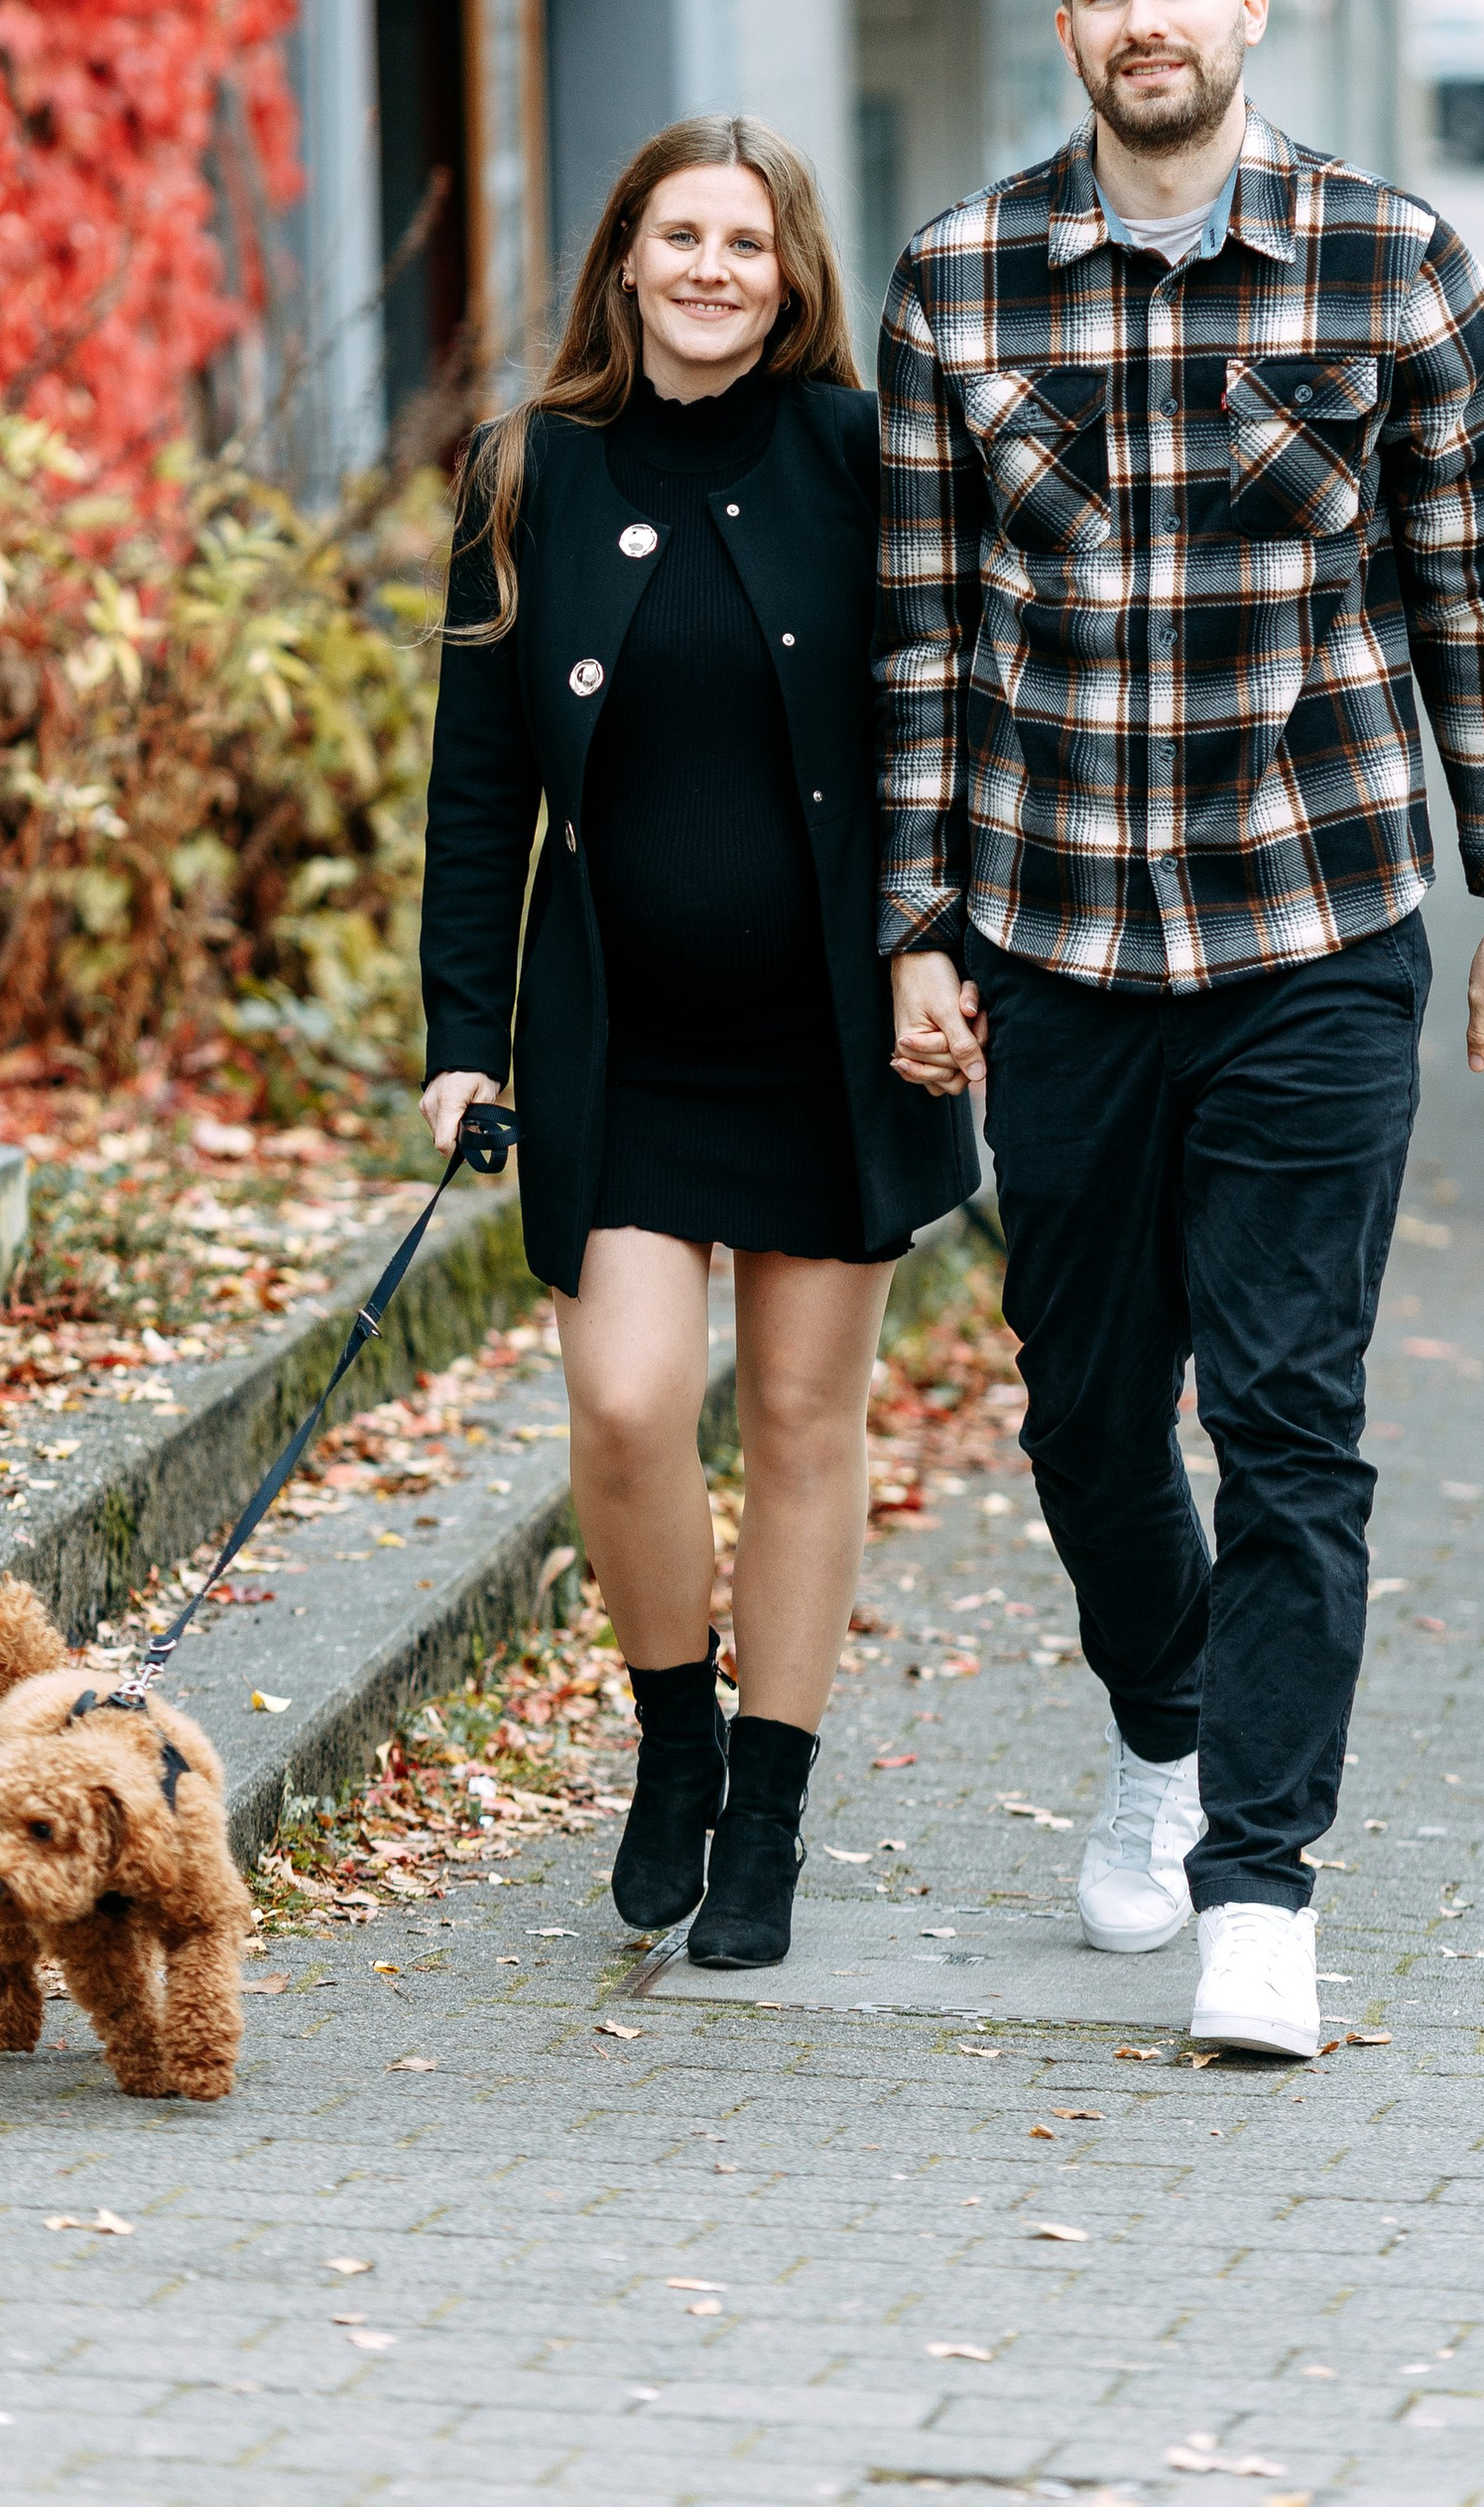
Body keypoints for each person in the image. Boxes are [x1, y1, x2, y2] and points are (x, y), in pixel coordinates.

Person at [876, 0, 1484, 2059]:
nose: (1140, 17)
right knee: (1083, 1412)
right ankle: (1162, 1736)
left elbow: (1473, 595)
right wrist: (913, 921)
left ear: (1250, 6)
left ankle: (1259, 1885)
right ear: (1063, 29)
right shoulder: (962, 284)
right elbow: (918, 642)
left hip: (1311, 929)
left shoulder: (1389, 265)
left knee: (1287, 1416)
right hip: (1058, 941)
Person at [419, 118, 975, 1968]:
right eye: (683, 237)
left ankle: (773, 1812)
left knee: (810, 1427)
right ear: (628, 260)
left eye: (749, 240)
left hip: (830, 1044)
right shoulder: (527, 476)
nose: (716, 268)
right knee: (632, 1404)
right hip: (623, 1046)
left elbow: (940, 736)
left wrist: (940, 949)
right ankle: (674, 1735)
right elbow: (478, 783)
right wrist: (461, 1033)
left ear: (791, 269)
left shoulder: (870, 461)